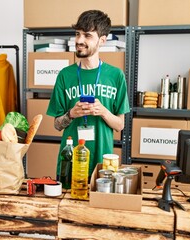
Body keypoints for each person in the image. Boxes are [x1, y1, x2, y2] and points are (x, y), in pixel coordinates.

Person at [46, 9, 130, 179]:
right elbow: (57, 125)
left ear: (102, 40)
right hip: (70, 162)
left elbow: (120, 125)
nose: (79, 40)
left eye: (87, 35)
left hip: (103, 165)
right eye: (77, 34)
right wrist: (71, 114)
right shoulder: (65, 75)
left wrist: (104, 112)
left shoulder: (116, 76)